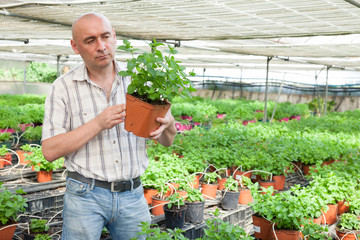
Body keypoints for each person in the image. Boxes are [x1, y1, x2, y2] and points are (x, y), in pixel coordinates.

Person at [41, 12, 177, 240]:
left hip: (133, 196)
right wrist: (98, 123)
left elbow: (167, 141)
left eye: (105, 37)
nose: (101, 46)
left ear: (114, 37)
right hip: (84, 196)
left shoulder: (141, 80)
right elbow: (50, 150)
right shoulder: (63, 88)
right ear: (75, 46)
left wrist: (168, 124)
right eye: (90, 40)